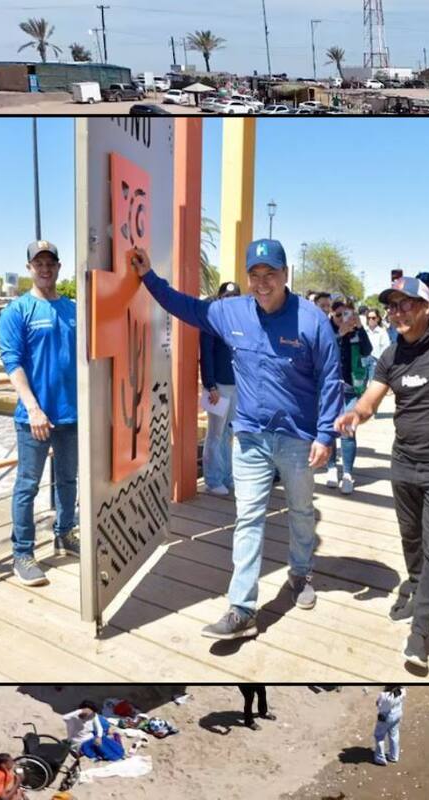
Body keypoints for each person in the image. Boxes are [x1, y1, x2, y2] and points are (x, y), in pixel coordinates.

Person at [131, 240, 341, 641]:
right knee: (247, 518)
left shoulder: (312, 320)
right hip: (249, 438)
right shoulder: (231, 311)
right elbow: (184, 306)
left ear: (285, 276)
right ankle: (241, 607)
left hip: (298, 439)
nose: (263, 283)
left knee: (300, 510)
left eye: (271, 274)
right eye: (255, 275)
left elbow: (331, 379)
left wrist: (326, 433)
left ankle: (299, 574)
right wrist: (147, 277)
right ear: (247, 278)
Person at [334, 276, 429, 670]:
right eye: (393, 306)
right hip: (403, 463)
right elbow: (371, 400)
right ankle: (418, 586)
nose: (398, 312)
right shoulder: (390, 355)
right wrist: (355, 415)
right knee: (412, 539)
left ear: (426, 307)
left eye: (406, 305)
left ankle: (420, 632)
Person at [0, 241, 79, 587]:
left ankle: (64, 533)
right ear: (29, 267)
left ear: (59, 267)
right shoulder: (18, 311)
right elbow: (12, 362)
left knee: (68, 480)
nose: (45, 269)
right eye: (38, 263)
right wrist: (32, 407)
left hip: (71, 416)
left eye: (50, 263)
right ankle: (23, 553)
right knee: (27, 486)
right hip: (34, 418)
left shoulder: (73, 309)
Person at [325, 299, 372, 494]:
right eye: (338, 315)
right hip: (329, 387)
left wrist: (359, 328)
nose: (342, 319)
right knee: (329, 428)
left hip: (351, 386)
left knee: (348, 430)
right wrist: (338, 335)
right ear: (331, 315)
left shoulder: (356, 331)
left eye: (346, 315)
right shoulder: (326, 330)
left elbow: (367, 350)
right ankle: (330, 468)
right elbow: (323, 352)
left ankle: (347, 474)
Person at [201, 282, 240, 496]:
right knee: (215, 435)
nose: (231, 299)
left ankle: (227, 476)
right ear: (220, 297)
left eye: (235, 296)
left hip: (236, 387)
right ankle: (213, 479)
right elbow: (205, 354)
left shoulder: (241, 323)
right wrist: (210, 385)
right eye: (227, 295)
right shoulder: (211, 321)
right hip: (218, 388)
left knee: (229, 434)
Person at [373, 685, 406, 765]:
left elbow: (379, 704)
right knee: (394, 735)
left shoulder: (384, 695)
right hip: (397, 714)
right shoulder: (403, 691)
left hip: (386, 718)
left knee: (379, 736)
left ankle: (380, 758)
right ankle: (394, 756)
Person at [363, 307, 391, 379]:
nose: (371, 320)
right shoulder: (363, 331)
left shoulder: (382, 332)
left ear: (378, 319)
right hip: (363, 361)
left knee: (372, 385)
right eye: (369, 318)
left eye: (373, 318)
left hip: (376, 362)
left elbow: (386, 349)